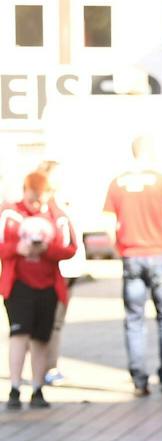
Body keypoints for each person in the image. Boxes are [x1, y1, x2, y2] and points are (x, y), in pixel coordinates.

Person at [104, 136, 162, 396]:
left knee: (134, 318)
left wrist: (120, 248)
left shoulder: (118, 183)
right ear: (151, 152)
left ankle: (139, 380)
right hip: (161, 255)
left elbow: (108, 223)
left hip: (132, 255)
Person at [1, 171, 78, 410]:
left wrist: (47, 249)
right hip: (18, 285)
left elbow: (70, 248)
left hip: (48, 285)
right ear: (25, 192)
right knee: (19, 335)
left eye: (40, 200)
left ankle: (37, 387)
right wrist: (17, 248)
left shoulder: (57, 216)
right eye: (32, 199)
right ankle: (15, 387)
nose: (35, 205)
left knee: (41, 339)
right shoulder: (10, 213)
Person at [33, 161, 69, 387]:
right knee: (47, 323)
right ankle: (45, 369)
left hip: (70, 270)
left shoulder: (63, 202)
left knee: (57, 322)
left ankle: (49, 366)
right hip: (49, 273)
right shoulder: (45, 208)